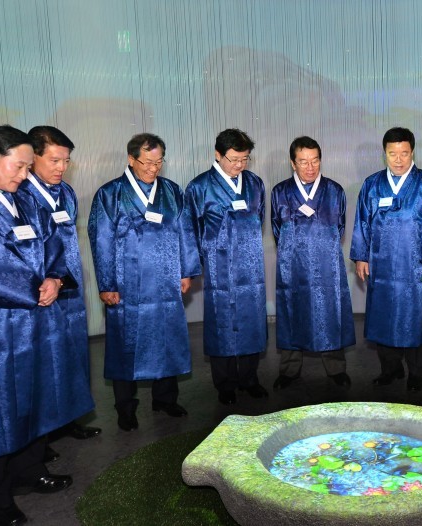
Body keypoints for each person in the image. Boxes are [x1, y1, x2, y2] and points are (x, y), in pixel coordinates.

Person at [0, 125, 83, 524]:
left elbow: (53, 242)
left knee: (33, 394)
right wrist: (36, 288)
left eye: (29, 167)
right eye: (19, 166)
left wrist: (56, 278)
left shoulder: (22, 197)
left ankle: (31, 470)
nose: (24, 174)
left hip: (32, 319)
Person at [88, 133, 200, 431]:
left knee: (167, 338)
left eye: (159, 162)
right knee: (126, 344)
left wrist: (186, 271)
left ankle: (165, 398)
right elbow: (101, 241)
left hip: (166, 280)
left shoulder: (172, 191)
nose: (153, 168)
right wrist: (107, 284)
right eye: (147, 162)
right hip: (126, 284)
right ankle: (125, 407)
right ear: (131, 159)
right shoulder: (110, 194)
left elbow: (186, 231)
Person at [16, 126, 101, 461]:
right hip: (43, 292)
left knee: (73, 353)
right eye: (54, 160)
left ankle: (69, 419)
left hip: (70, 287)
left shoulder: (66, 192)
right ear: (32, 156)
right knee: (45, 360)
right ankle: (43, 435)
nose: (62, 167)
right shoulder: (21, 194)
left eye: (66, 161)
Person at [184, 129, 268, 405]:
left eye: (244, 159)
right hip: (219, 268)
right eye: (234, 159)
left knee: (252, 322)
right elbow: (190, 230)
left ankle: (250, 378)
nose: (239, 165)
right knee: (222, 326)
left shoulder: (255, 183)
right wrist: (194, 266)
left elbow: (260, 219)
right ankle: (225, 384)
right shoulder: (199, 187)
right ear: (218, 155)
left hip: (251, 267)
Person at [350, 127, 422, 391]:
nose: (398, 160)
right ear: (384, 153)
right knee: (383, 317)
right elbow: (362, 222)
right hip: (382, 264)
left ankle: (417, 372)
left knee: (415, 319)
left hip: (417, 265)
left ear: (412, 152)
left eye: (404, 153)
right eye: (392, 154)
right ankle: (390, 369)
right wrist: (361, 257)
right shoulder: (372, 185)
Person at [270, 136, 355, 390]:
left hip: (327, 266)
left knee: (330, 312)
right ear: (292, 163)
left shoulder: (335, 191)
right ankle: (289, 370)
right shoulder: (280, 192)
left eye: (315, 160)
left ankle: (336, 369)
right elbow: (276, 229)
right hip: (292, 266)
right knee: (291, 312)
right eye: (303, 161)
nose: (310, 167)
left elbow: (340, 228)